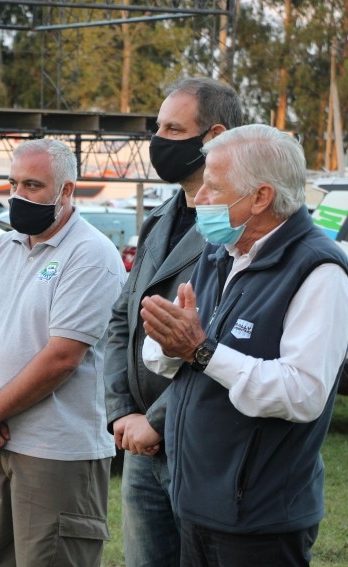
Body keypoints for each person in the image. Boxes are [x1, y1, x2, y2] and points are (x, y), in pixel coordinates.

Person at [140, 124, 348, 566]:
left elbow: (302, 394)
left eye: (212, 188)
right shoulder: (221, 252)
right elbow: (160, 356)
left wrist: (200, 351)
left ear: (260, 197)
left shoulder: (318, 270)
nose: (198, 199)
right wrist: (173, 344)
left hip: (260, 521)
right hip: (196, 505)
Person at [0, 138, 126, 567]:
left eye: (32, 185)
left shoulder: (91, 254)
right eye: (12, 183)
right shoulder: (2, 247)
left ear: (67, 191)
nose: (18, 195)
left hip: (57, 453)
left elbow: (62, 357)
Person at [104, 77, 242, 567]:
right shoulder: (160, 218)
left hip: (194, 443)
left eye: (172, 128)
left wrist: (155, 421)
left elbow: (221, 341)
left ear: (214, 135)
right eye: (157, 126)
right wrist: (121, 411)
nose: (157, 140)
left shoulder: (233, 225)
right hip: (140, 447)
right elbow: (122, 318)